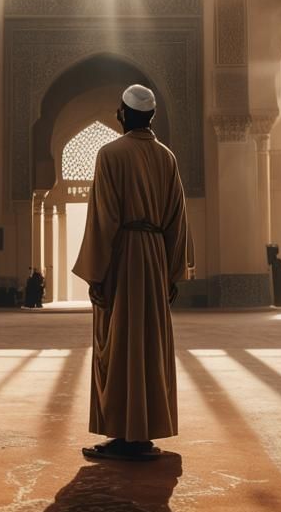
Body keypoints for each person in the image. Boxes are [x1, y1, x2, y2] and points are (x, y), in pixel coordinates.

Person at [73, 84, 193, 462]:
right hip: (155, 258)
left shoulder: (110, 154)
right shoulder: (167, 157)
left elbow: (104, 218)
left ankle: (125, 434)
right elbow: (177, 220)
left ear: (122, 115)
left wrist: (96, 274)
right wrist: (173, 272)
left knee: (121, 342)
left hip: (124, 258)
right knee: (149, 345)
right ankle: (145, 433)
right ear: (152, 117)